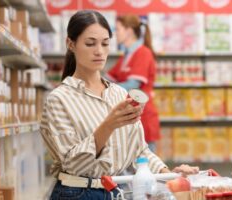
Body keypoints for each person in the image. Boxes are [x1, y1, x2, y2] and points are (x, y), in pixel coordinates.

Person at [40, 10, 198, 200]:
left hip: (116, 192)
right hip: (77, 193)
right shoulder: (58, 99)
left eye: (105, 43)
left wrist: (170, 175)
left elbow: (139, 151)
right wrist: (109, 125)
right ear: (70, 44)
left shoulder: (120, 94)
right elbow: (74, 165)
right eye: (90, 43)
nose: (99, 50)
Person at [106, 15, 160, 152]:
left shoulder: (143, 53)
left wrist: (106, 89)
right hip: (130, 116)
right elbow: (107, 78)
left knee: (147, 166)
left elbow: (133, 84)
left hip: (143, 115)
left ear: (129, 31)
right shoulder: (126, 56)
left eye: (117, 29)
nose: (114, 33)